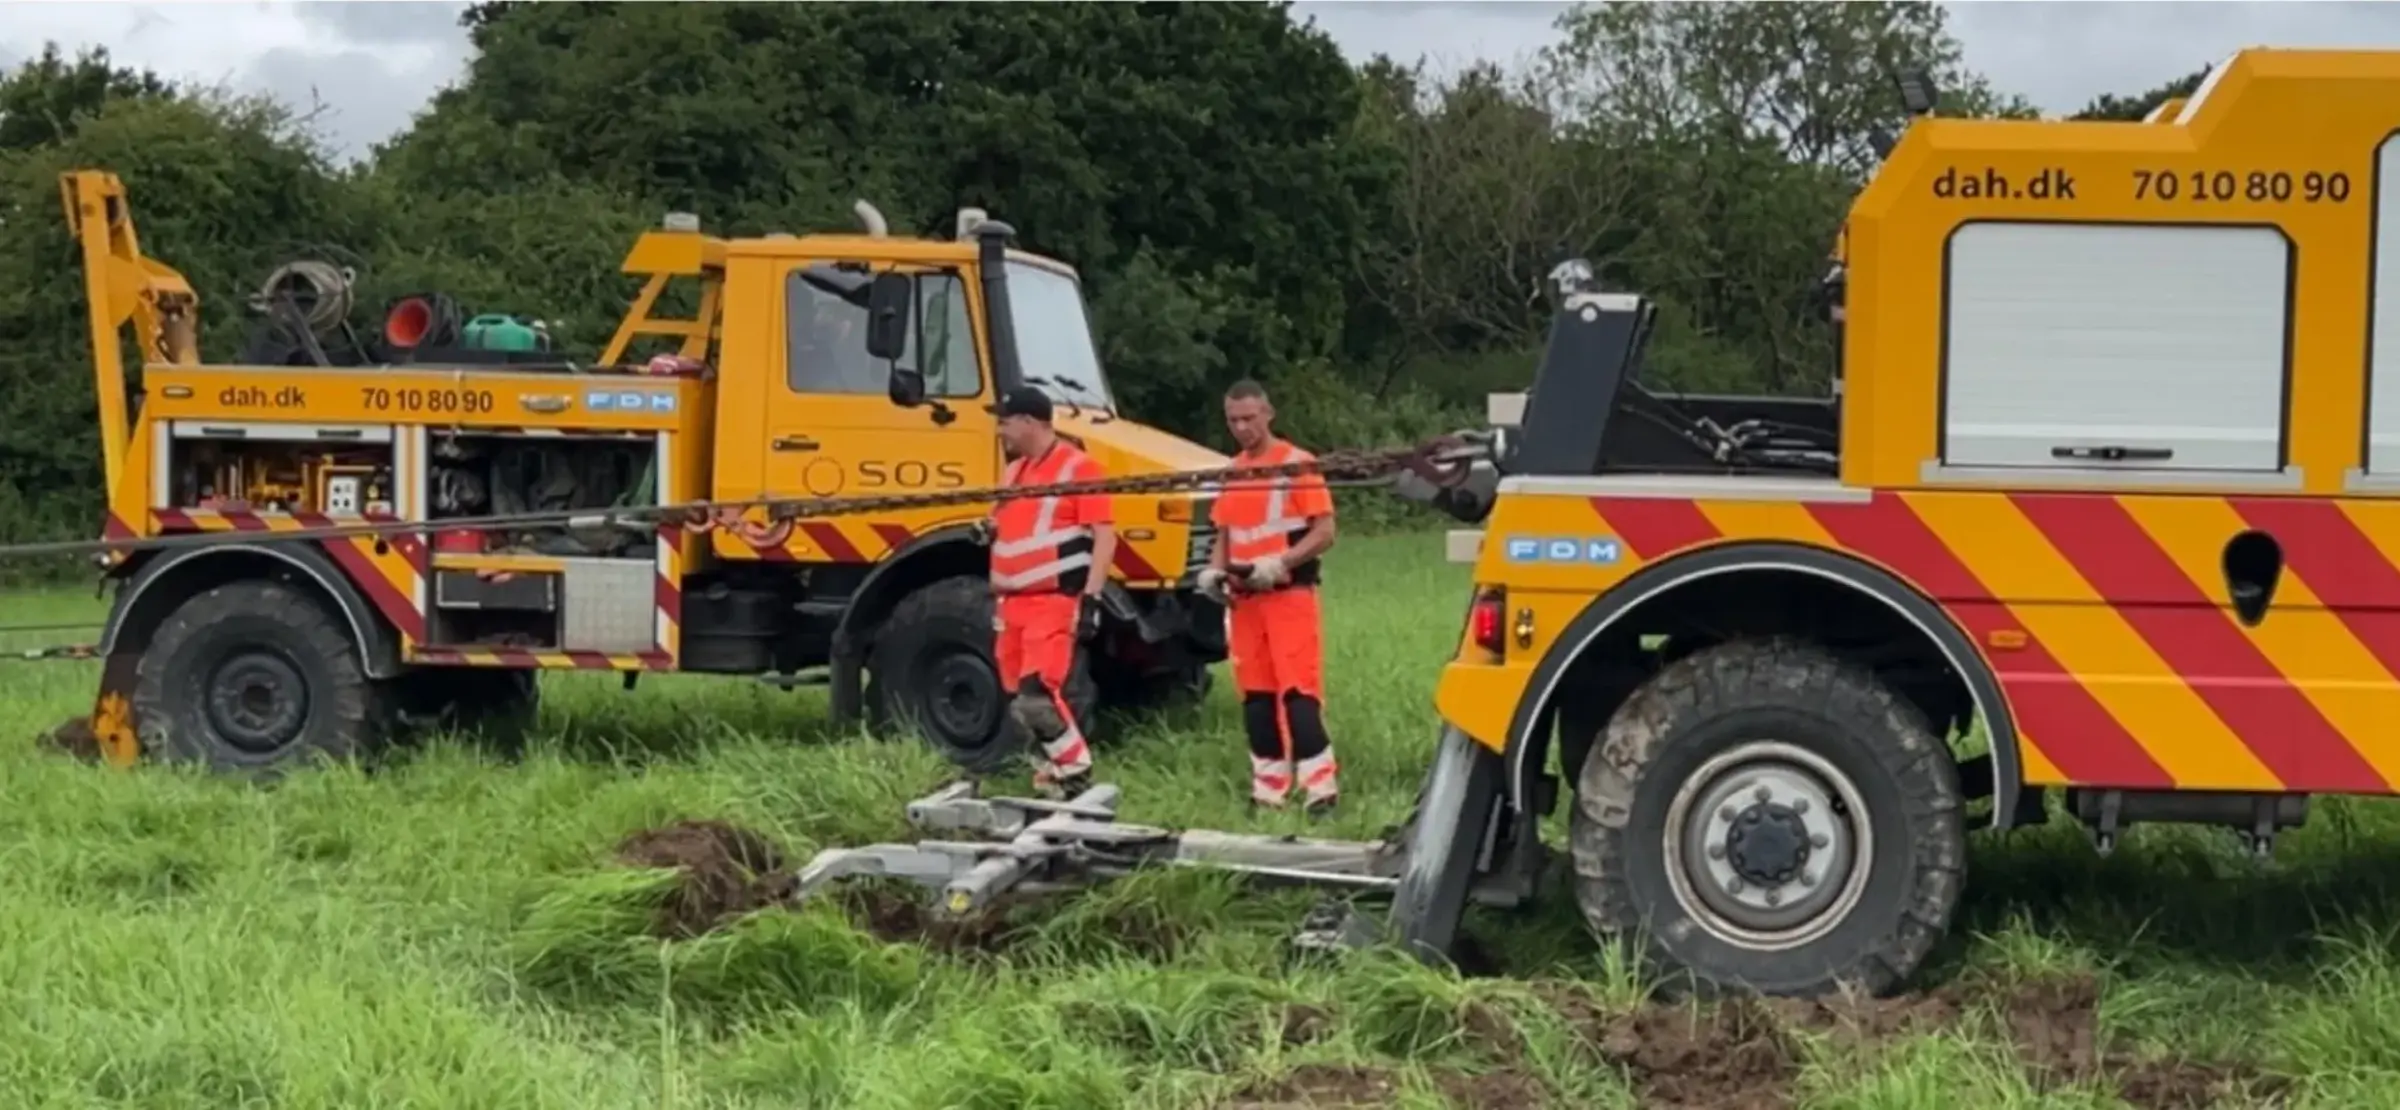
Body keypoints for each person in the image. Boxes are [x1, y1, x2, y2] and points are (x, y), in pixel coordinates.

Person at [1199, 379, 1339, 813]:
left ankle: (1320, 790)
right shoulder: (1232, 472)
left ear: (1268, 414)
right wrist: (1213, 572)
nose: (1241, 428)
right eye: (1233, 420)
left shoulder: (1297, 464)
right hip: (1244, 602)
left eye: (1249, 418)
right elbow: (1225, 533)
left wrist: (1280, 563)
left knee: (1299, 694)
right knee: (1257, 699)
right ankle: (1269, 792)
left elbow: (1325, 531)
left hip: (1288, 596)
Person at [974, 386, 1116, 797]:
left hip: (1052, 600)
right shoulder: (1013, 473)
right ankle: (1049, 778)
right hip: (1010, 604)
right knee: (1019, 700)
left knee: (1037, 695)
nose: (1000, 431)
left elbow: (1105, 538)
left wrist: (1091, 598)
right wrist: (987, 530)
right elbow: (1005, 523)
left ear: (1030, 422)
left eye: (1005, 422)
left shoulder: (1080, 469)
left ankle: (1074, 770)